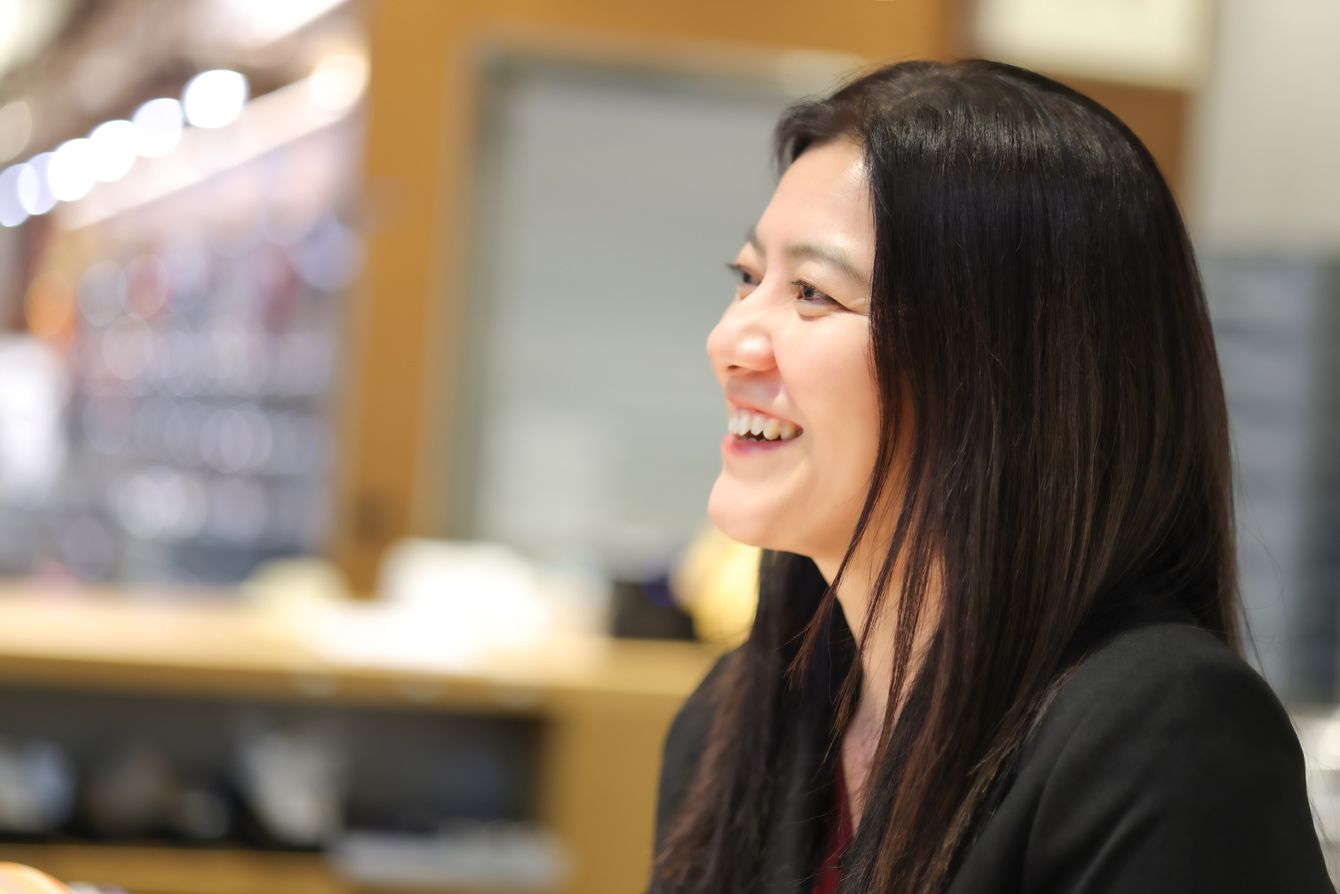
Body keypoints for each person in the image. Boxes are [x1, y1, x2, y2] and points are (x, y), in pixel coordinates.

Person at [648, 59, 1334, 894]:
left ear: (1001, 376)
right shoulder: (732, 728)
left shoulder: (1164, 740)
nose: (729, 341)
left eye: (814, 294)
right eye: (748, 279)